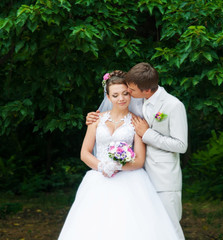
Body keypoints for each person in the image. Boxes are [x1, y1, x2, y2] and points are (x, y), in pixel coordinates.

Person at [58, 70, 179, 240]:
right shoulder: (96, 120)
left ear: (130, 94)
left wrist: (118, 165)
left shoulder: (137, 122)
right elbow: (85, 153)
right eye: (115, 95)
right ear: (108, 97)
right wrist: (102, 166)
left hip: (130, 180)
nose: (121, 98)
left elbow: (139, 160)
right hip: (99, 179)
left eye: (125, 94)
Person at [86, 63, 188, 240]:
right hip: (137, 180)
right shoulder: (138, 100)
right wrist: (92, 117)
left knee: (170, 229)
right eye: (127, 90)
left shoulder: (173, 105)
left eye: (130, 90)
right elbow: (116, 107)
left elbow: (181, 145)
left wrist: (147, 134)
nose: (127, 94)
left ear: (146, 90)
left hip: (162, 179)